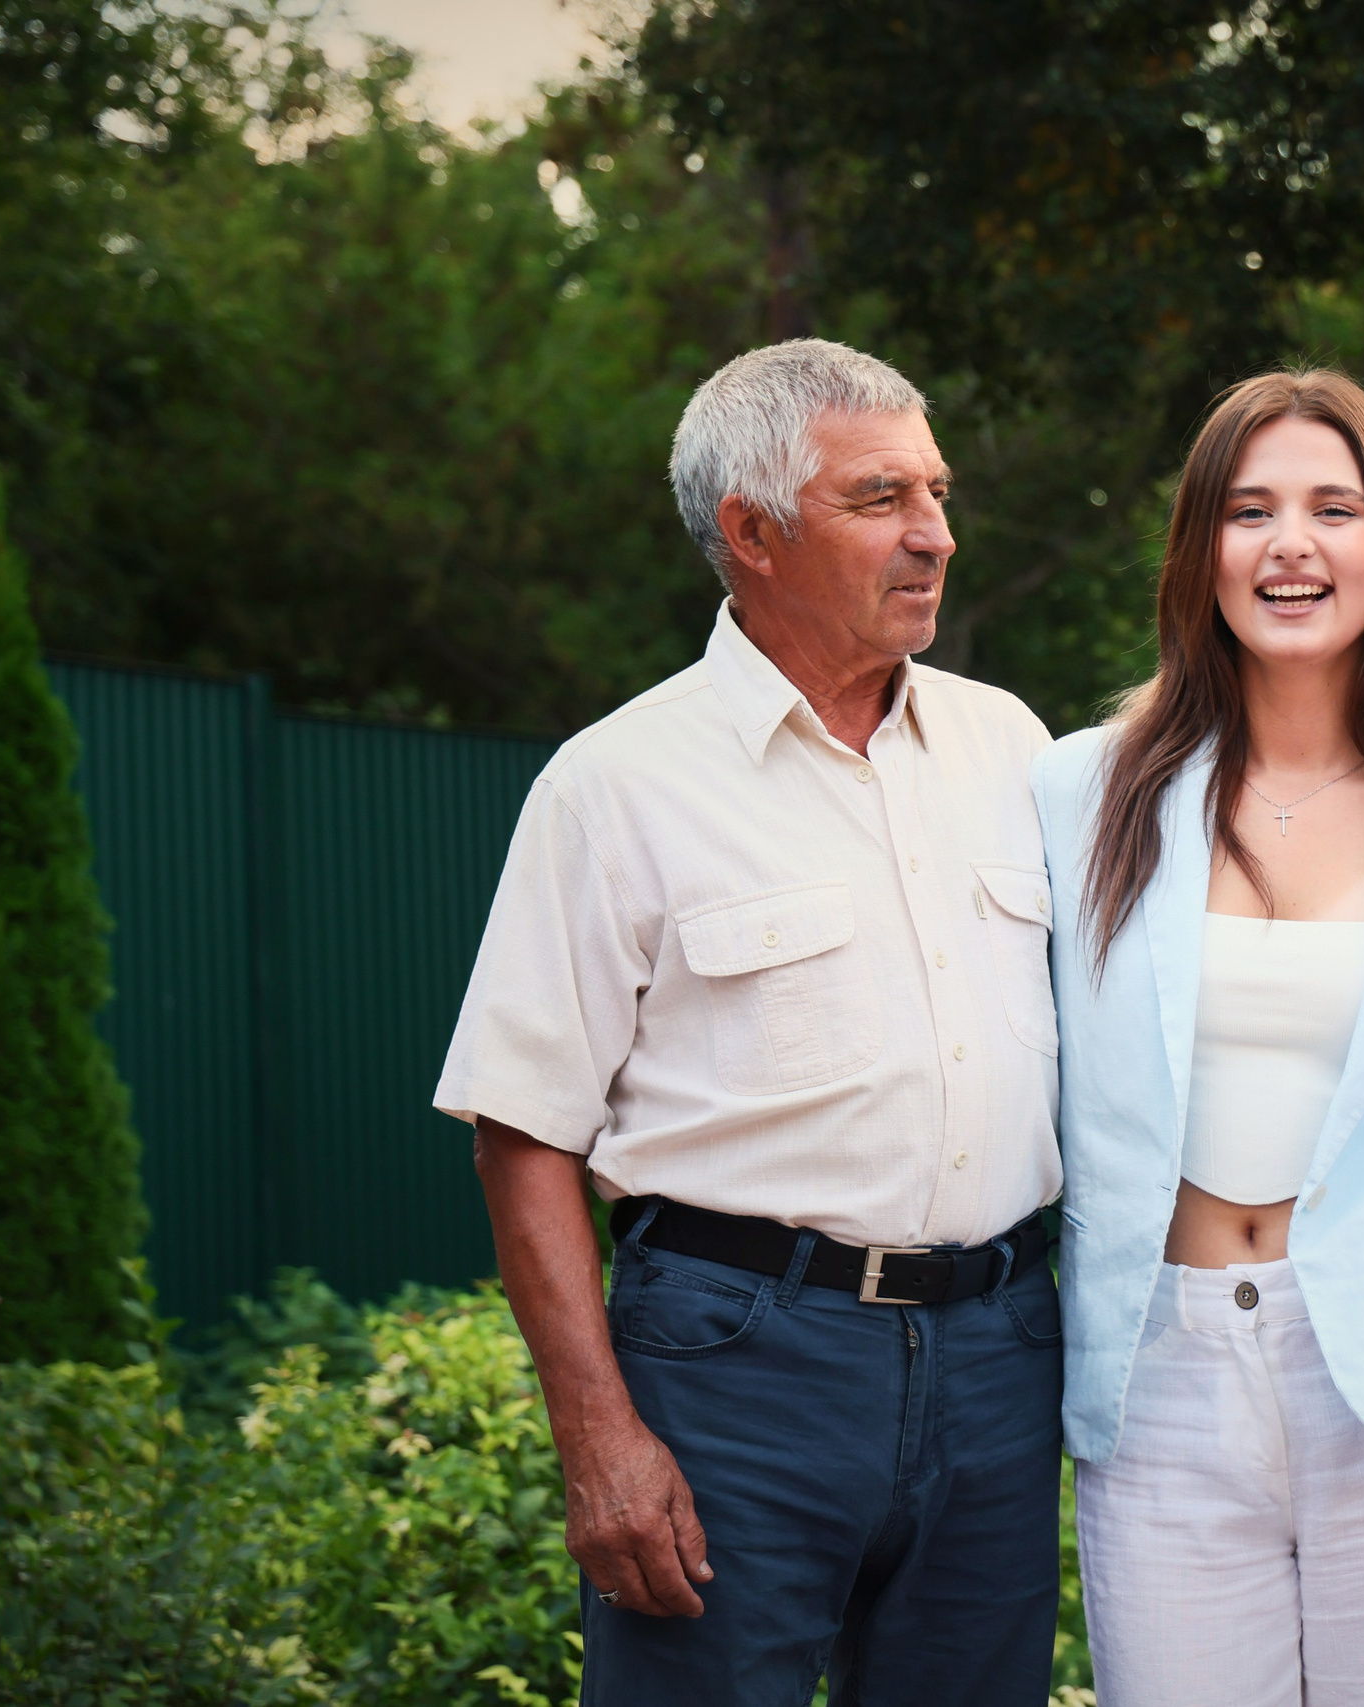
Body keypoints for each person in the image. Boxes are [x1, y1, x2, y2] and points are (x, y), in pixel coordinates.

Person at [436, 340, 1065, 1706]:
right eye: (882, 498)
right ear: (752, 532)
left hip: (1001, 1353)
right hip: (740, 1371)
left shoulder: (1016, 749)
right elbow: (521, 1130)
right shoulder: (615, 784)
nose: (936, 535)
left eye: (939, 493)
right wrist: (598, 1435)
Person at [1034, 370, 1364, 1706]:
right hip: (1160, 1371)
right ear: (1202, 548)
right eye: (1249, 511)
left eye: (1335, 508)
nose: (1291, 547)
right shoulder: (1078, 789)